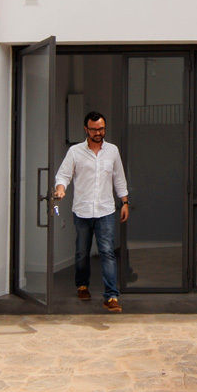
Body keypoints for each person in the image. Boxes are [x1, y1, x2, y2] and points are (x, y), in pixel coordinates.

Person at [54, 111, 129, 312]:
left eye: (102, 128)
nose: (98, 132)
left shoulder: (112, 151)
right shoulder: (75, 152)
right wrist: (60, 189)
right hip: (82, 211)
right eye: (94, 129)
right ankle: (82, 285)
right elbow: (63, 175)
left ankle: (111, 296)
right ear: (86, 129)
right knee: (81, 252)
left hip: (106, 210)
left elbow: (119, 178)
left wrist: (125, 201)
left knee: (107, 252)